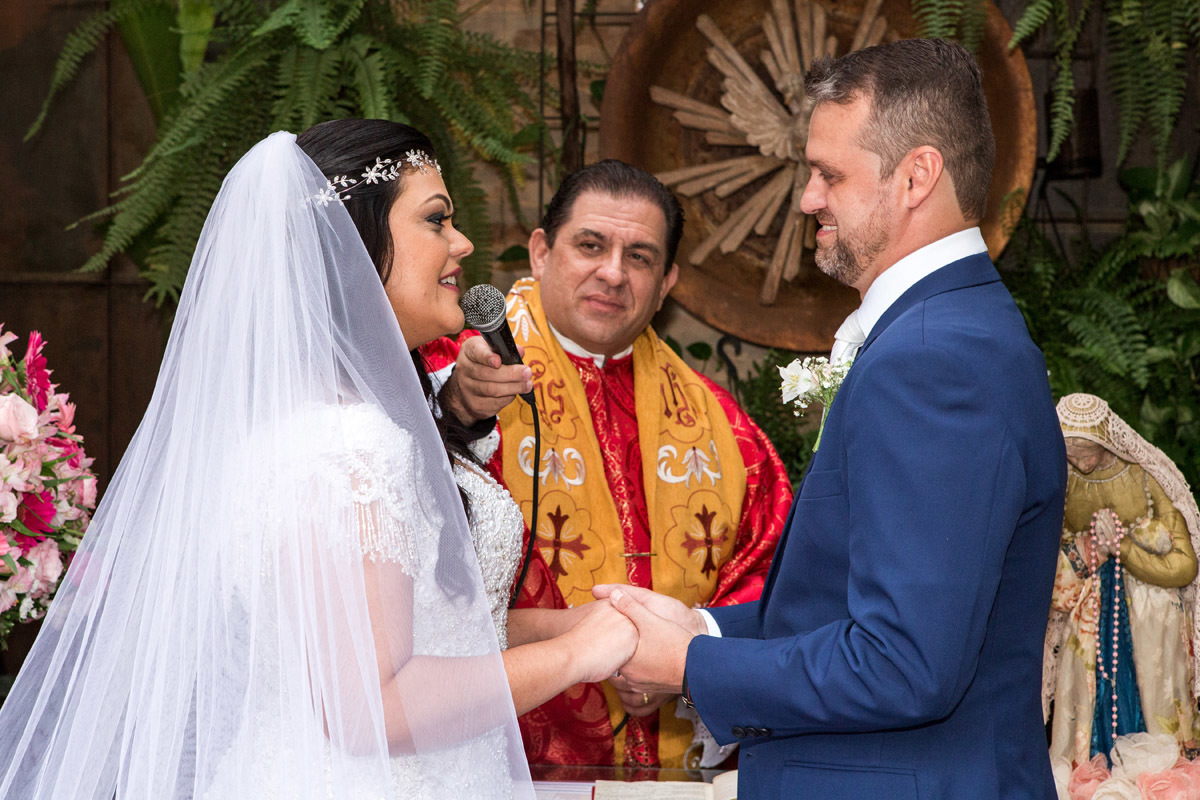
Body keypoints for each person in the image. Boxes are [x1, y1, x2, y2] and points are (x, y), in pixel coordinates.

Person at [0, 121, 637, 799]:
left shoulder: (318, 424)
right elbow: (369, 705)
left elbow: (428, 624)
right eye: (436, 220)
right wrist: (573, 656)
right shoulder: (349, 449)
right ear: (352, 249)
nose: (463, 243)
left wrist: (574, 625)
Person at [590, 39, 1069, 800]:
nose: (809, 198)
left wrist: (687, 667)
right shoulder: (956, 329)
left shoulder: (932, 359)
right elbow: (863, 610)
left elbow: (904, 665)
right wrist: (702, 632)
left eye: (829, 174)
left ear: (917, 176)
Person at [430, 160, 793, 768]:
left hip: (675, 762)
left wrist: (686, 659)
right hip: (505, 753)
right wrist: (460, 414)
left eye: (641, 257)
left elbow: (775, 579)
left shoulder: (723, 429)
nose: (613, 273)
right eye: (591, 245)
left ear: (668, 280)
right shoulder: (458, 371)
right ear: (542, 251)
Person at [1045, 392, 1200, 767]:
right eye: (1069, 449)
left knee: (1154, 705)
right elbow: (1046, 570)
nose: (1078, 459)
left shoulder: (1146, 477)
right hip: (1086, 628)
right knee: (1087, 711)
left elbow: (1185, 565)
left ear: (1107, 441)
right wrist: (1086, 550)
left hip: (1152, 625)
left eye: (1086, 448)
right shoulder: (1060, 485)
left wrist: (1124, 549)